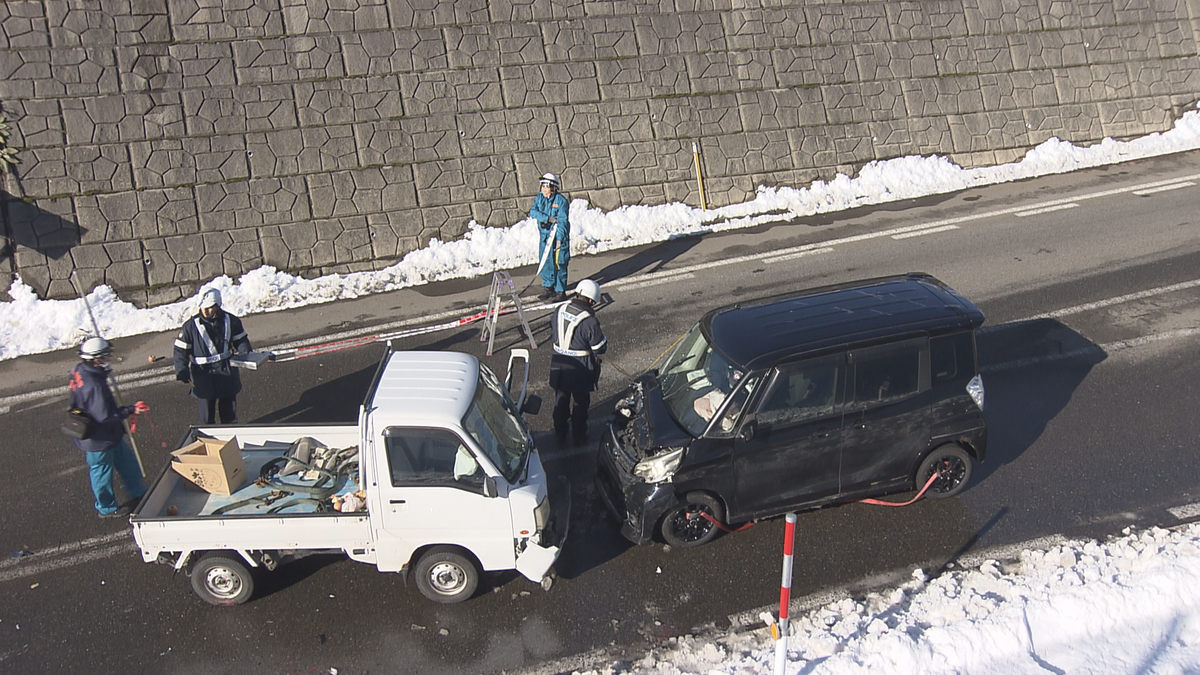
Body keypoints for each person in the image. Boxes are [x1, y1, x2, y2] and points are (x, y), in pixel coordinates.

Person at [68, 337, 149, 519]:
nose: (108, 359)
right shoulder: (94, 386)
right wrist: (130, 410)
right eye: (105, 356)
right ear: (95, 358)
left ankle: (137, 491)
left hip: (110, 435)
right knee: (102, 474)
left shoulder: (79, 369)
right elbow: (105, 416)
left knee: (128, 464)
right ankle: (106, 507)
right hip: (98, 438)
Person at [174, 288, 252, 424]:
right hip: (203, 376)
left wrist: (247, 355)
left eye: (209, 308)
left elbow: (241, 340)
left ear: (217, 306)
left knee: (229, 413)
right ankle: (209, 440)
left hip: (226, 371)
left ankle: (230, 437)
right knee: (206, 417)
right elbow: (180, 350)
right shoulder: (190, 327)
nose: (205, 311)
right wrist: (181, 370)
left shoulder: (231, 321)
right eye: (203, 307)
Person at [548, 279, 606, 445]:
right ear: (590, 300)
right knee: (580, 403)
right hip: (580, 368)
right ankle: (579, 434)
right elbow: (599, 347)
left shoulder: (559, 309)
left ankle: (560, 432)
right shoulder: (590, 321)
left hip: (559, 364)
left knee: (561, 400)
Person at [529, 172, 570, 302]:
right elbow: (533, 211)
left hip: (557, 236)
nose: (544, 190)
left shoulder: (561, 201)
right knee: (545, 261)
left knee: (559, 263)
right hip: (545, 237)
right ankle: (549, 286)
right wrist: (546, 218)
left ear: (553, 188)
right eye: (542, 186)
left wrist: (559, 239)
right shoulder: (540, 198)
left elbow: (562, 221)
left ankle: (560, 290)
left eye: (546, 187)